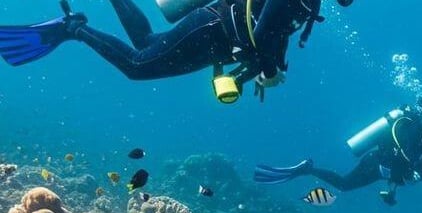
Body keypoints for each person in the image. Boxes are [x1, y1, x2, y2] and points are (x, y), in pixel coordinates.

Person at [0, 0, 354, 103]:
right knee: (138, 66)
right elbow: (263, 33)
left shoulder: (311, 1)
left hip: (217, 39)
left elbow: (278, 32)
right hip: (211, 30)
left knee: (147, 43)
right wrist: (270, 68)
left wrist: (274, 65)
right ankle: (73, 28)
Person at [254, 95, 422, 205]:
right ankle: (308, 169)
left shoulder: (420, 131)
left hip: (379, 166)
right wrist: (411, 170)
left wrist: (393, 189)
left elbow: (403, 160)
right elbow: (401, 153)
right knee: (344, 185)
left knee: (344, 185)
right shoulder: (410, 124)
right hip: (374, 164)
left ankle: (308, 169)